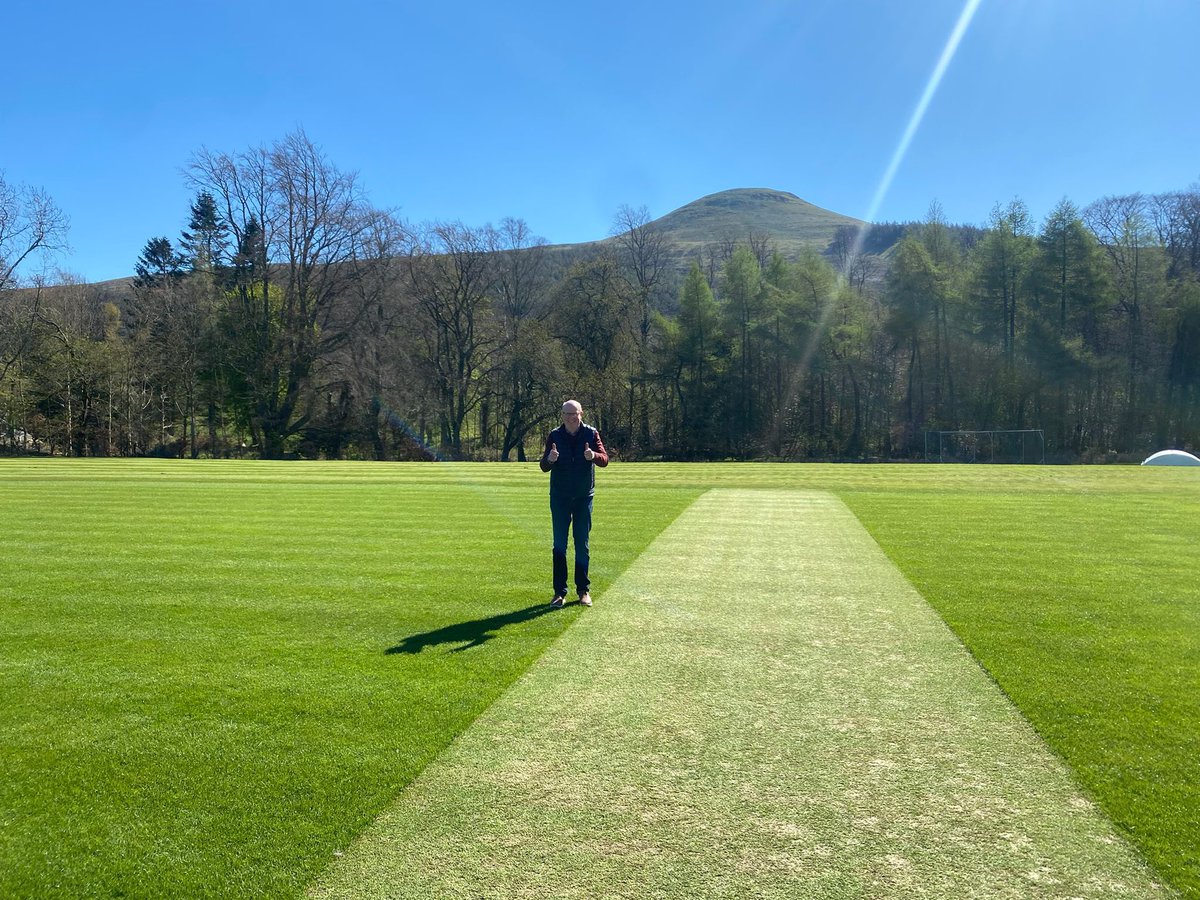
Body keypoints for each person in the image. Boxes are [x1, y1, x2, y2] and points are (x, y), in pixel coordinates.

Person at [540, 400, 609, 608]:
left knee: (582, 544)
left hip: (583, 497)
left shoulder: (591, 433)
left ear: (582, 413)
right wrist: (550, 459)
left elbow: (604, 459)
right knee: (559, 546)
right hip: (560, 497)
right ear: (562, 415)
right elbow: (543, 466)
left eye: (575, 413)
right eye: (567, 413)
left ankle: (583, 591)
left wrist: (593, 455)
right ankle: (559, 593)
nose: (571, 417)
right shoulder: (554, 435)